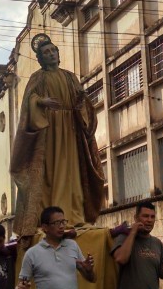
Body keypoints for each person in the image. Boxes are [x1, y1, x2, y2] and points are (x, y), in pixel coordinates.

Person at [10, 34, 105, 236]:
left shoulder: (70, 76)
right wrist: (41, 102)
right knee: (50, 173)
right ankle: (50, 217)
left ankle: (75, 216)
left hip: (71, 131)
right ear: (40, 58)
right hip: (49, 132)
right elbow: (28, 101)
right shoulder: (38, 77)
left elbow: (82, 102)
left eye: (53, 51)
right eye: (46, 52)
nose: (51, 54)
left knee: (73, 172)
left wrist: (82, 103)